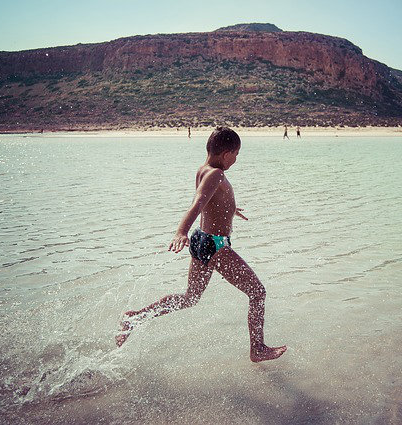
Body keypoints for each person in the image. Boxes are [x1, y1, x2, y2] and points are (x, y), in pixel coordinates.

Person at [116, 127, 287, 362]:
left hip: (202, 240)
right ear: (226, 153)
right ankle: (257, 348)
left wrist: (230, 209)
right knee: (258, 292)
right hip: (215, 245)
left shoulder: (203, 170)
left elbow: (209, 200)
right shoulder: (215, 173)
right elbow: (197, 204)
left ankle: (134, 317)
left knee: (190, 297)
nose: (236, 160)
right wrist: (180, 232)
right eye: (236, 154)